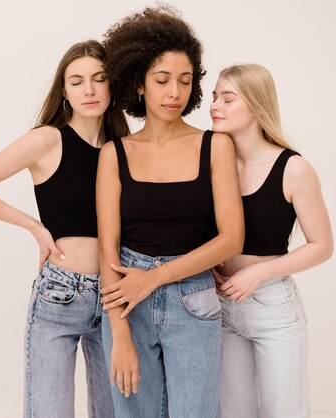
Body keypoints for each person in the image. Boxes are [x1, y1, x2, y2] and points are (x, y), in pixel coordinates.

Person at [0, 40, 129, 418]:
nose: (90, 90)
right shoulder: (47, 140)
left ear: (112, 86)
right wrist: (34, 226)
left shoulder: (125, 148)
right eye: (77, 81)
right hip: (60, 293)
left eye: (99, 79)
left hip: (117, 297)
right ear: (64, 90)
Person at [96, 6, 244, 417]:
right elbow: (108, 247)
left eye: (184, 81)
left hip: (193, 298)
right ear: (139, 84)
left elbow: (232, 238)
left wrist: (155, 278)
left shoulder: (215, 145)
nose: (174, 93)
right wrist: (120, 334)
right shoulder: (115, 154)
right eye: (162, 81)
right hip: (126, 301)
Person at [210, 63, 333, 418]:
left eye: (228, 99)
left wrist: (258, 274)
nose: (215, 105)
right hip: (222, 308)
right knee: (233, 412)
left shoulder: (294, 168)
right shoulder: (216, 164)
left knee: (284, 412)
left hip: (273, 309)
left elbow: (322, 245)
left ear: (256, 104)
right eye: (216, 97)